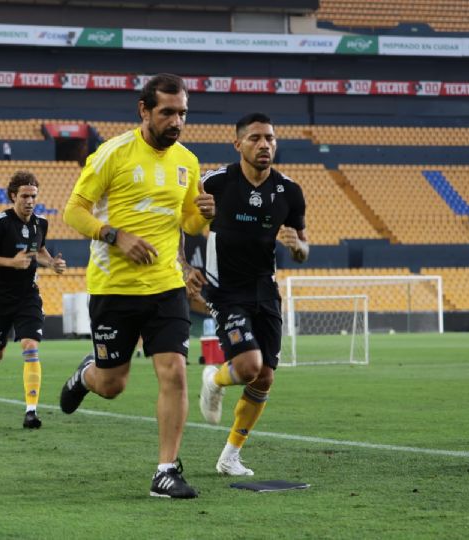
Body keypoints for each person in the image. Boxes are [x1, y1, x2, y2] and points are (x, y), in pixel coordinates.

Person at [58, 73, 215, 499]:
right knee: (113, 385)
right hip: (114, 287)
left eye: (182, 113)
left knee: (175, 373)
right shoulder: (113, 153)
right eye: (167, 112)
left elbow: (188, 222)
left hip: (165, 285)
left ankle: (166, 470)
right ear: (144, 111)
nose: (176, 121)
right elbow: (73, 211)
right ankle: (85, 375)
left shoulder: (187, 160)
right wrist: (116, 236)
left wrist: (205, 215)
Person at [197, 112, 309, 477]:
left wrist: (298, 249)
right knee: (247, 367)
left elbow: (303, 245)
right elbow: (182, 220)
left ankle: (229, 456)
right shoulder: (214, 182)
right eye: (256, 138)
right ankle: (213, 379)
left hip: (265, 288)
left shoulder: (289, 192)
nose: (264, 145)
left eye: (270, 138)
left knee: (265, 378)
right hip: (226, 288)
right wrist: (185, 267)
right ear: (238, 144)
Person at [0, 171, 66, 429]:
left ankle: (31, 412)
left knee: (30, 347)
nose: (29, 201)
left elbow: (39, 250)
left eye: (33, 196)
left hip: (28, 296)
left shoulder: (40, 223)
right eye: (24, 196)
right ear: (13, 196)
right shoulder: (0, 222)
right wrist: (10, 263)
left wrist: (51, 263)